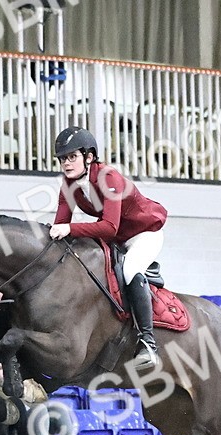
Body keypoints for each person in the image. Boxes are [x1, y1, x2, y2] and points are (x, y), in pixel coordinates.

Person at [49, 125, 168, 370]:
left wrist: (70, 229)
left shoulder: (108, 178)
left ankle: (148, 343)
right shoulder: (69, 185)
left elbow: (110, 227)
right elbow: (59, 227)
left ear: (89, 156)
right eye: (63, 159)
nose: (66, 164)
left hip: (144, 233)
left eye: (72, 157)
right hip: (117, 239)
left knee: (130, 269)